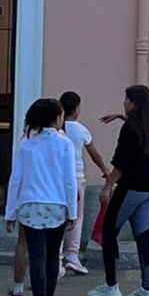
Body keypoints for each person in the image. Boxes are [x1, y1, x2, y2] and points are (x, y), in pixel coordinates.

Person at [88, 84, 149, 296]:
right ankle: (148, 288)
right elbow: (144, 142)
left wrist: (107, 187)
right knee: (143, 237)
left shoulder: (131, 129)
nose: (124, 102)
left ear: (134, 103)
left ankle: (111, 285)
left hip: (131, 187)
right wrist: (123, 117)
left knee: (109, 231)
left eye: (126, 100)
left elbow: (120, 162)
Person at [4, 98, 78, 296]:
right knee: (53, 256)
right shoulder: (65, 144)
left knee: (36, 256)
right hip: (56, 204)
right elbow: (70, 181)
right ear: (57, 119)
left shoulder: (26, 144)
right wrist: (72, 211)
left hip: (30, 204)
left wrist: (10, 211)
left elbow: (15, 180)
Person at [61, 90, 108, 277]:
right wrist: (105, 169)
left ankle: (56, 256)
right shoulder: (80, 130)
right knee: (77, 217)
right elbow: (94, 154)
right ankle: (72, 254)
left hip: (58, 179)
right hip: (76, 178)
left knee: (59, 218)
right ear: (77, 108)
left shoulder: (58, 129)